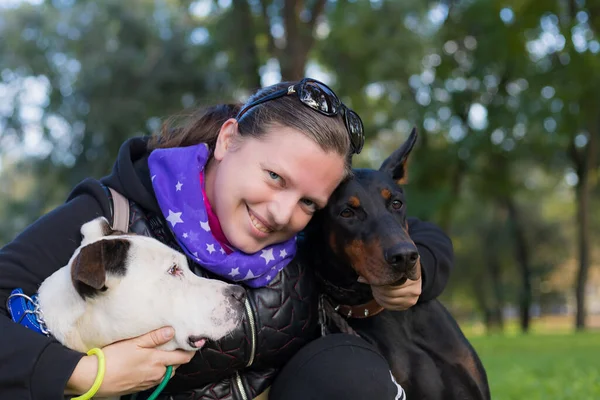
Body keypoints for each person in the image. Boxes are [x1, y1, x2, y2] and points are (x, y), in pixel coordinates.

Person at [0, 78, 453, 400]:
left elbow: (414, 233)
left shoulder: (307, 227)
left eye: (309, 202)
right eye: (274, 176)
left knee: (349, 374)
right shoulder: (114, 214)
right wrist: (82, 373)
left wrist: (416, 273)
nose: (281, 213)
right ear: (229, 140)